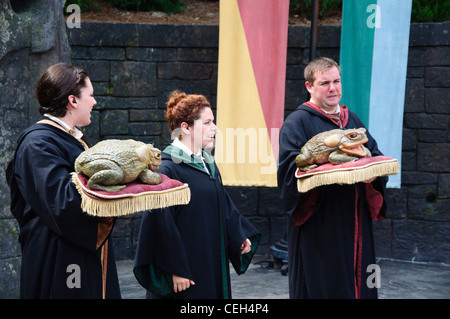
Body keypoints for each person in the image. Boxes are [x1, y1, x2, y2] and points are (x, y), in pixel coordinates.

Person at [7, 63, 121, 298]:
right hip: (59, 260)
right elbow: (63, 204)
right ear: (73, 100)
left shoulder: (69, 139)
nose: (94, 102)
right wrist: (118, 185)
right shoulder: (38, 144)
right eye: (90, 95)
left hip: (77, 253)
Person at [277, 57, 387, 299]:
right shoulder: (297, 122)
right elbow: (289, 172)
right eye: (324, 83)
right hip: (321, 223)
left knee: (361, 281)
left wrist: (371, 173)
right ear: (309, 87)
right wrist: (328, 168)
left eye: (336, 81)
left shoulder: (353, 121)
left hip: (355, 218)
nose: (333, 88)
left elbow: (374, 155)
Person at [134, 90, 261, 299]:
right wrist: (175, 269)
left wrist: (237, 236)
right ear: (186, 128)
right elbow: (159, 224)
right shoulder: (167, 170)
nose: (215, 128)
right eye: (208, 122)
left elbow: (221, 203)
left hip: (209, 258)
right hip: (186, 272)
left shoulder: (207, 163)